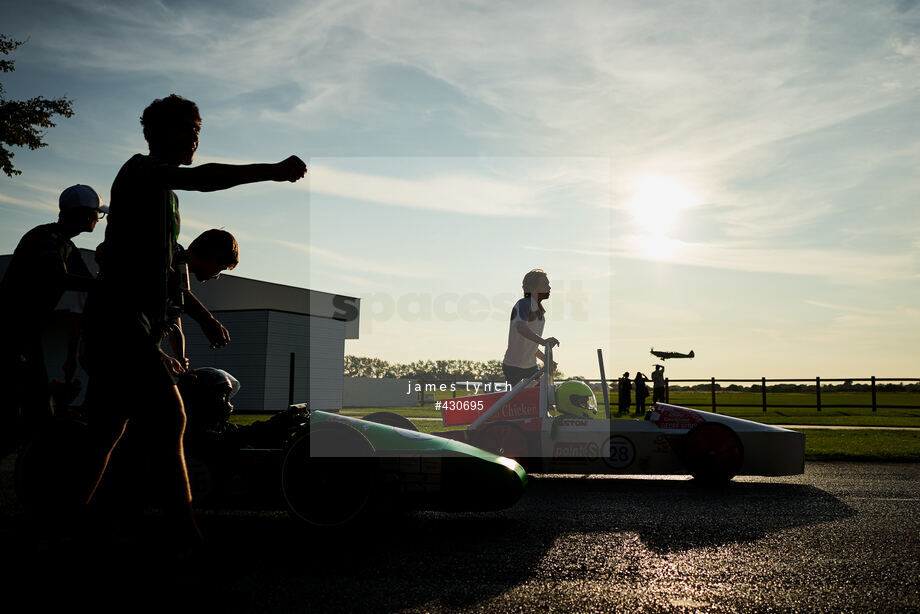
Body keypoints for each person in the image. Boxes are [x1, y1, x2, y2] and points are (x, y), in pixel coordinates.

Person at [81, 94, 307, 550]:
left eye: (198, 130)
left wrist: (201, 318)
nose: (194, 138)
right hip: (119, 324)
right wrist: (272, 170)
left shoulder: (166, 201)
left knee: (105, 435)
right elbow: (204, 179)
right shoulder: (141, 172)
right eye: (186, 129)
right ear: (157, 134)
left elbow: (168, 273)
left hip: (129, 326)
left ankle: (68, 525)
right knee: (169, 419)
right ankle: (186, 540)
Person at [0, 185, 106, 458]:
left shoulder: (65, 244)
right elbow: (58, 278)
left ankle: (34, 454)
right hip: (10, 329)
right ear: (84, 215)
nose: (98, 219)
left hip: (24, 330)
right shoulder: (47, 240)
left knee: (36, 401)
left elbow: (90, 285)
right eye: (97, 214)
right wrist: (107, 288)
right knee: (28, 401)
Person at [501, 269, 559, 387]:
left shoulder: (540, 311)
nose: (549, 287)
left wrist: (546, 360)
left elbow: (531, 344)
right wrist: (543, 341)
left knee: (541, 398)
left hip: (531, 366)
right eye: (545, 284)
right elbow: (521, 328)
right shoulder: (523, 304)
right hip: (513, 366)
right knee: (520, 403)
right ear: (533, 287)